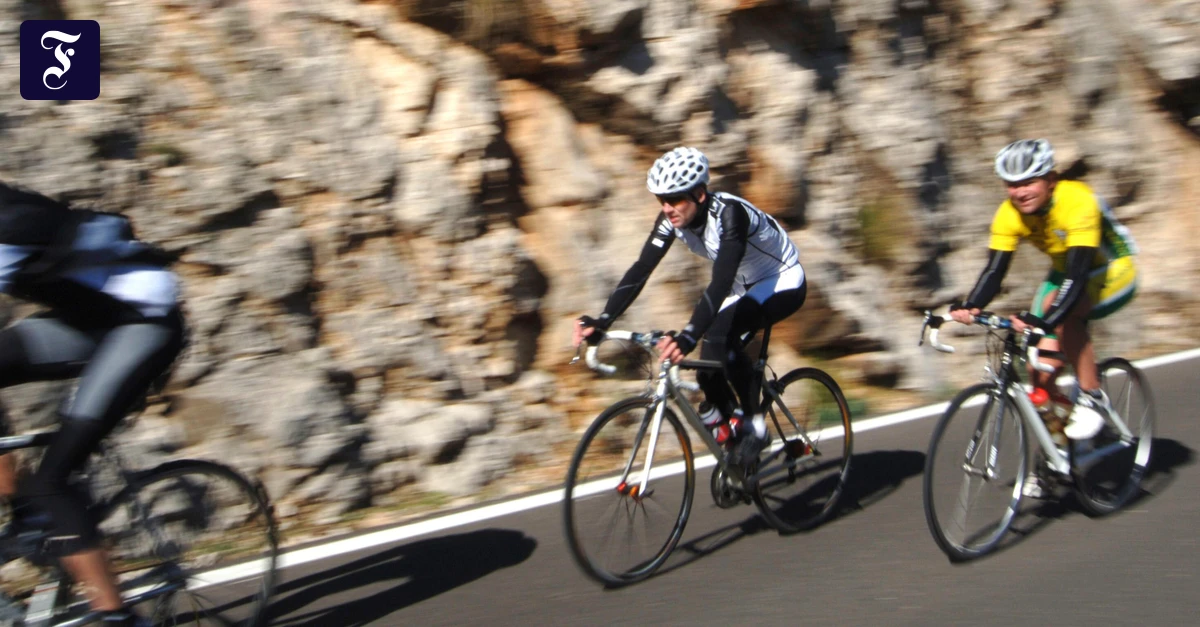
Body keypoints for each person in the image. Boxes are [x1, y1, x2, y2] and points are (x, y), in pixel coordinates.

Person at [0, 182, 186, 626]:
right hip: (86, 321)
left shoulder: (5, 228)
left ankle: (117, 616)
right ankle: (27, 511)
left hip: (144, 325)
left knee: (53, 479)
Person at [572, 147, 807, 467]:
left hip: (780, 279)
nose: (667, 208)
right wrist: (603, 320)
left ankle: (755, 426)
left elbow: (720, 281)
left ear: (698, 194)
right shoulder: (672, 219)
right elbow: (641, 269)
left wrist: (686, 337)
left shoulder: (730, 215)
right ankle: (734, 442)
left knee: (719, 335)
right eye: (661, 200)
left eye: (674, 199)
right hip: (743, 286)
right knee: (709, 372)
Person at [950, 139, 1138, 494]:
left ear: (1050, 178)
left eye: (1028, 181)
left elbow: (1079, 275)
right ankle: (1057, 452)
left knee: (1063, 319)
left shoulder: (1077, 200)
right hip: (1064, 275)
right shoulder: (1009, 213)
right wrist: (971, 306)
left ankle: (1092, 395)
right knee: (1040, 374)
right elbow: (994, 271)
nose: (1019, 192)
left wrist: (1046, 322)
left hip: (1112, 269)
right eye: (1011, 184)